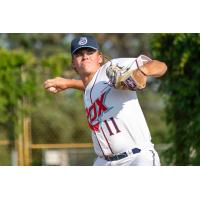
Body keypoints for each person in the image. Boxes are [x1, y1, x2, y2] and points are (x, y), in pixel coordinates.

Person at [44, 35, 167, 166]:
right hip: (104, 162)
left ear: (100, 58)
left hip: (136, 158)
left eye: (90, 52)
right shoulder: (90, 89)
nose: (85, 56)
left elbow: (161, 66)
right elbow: (92, 86)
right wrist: (69, 83)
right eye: (79, 54)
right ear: (73, 63)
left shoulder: (111, 67)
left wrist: (143, 71)